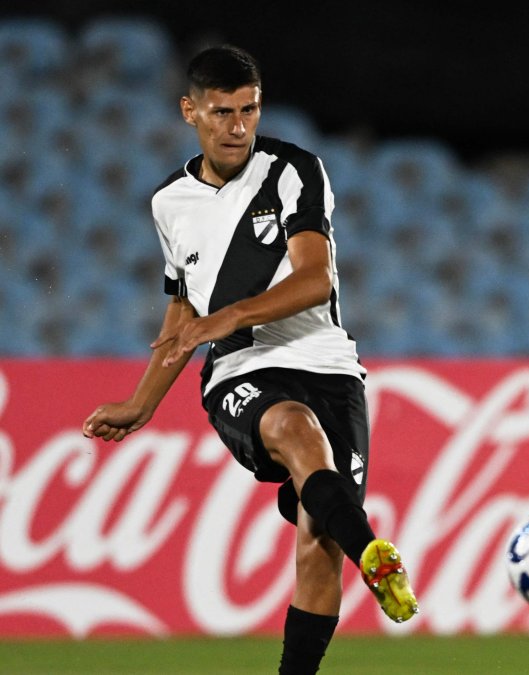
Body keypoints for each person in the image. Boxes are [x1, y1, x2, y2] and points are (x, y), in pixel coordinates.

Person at [81, 45, 418, 674]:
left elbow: (315, 279)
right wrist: (141, 403)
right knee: (294, 427)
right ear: (190, 112)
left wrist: (227, 314)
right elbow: (183, 311)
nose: (238, 126)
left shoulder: (294, 170)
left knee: (319, 542)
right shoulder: (169, 203)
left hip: (328, 362)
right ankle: (375, 554)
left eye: (249, 110)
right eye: (222, 112)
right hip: (242, 366)